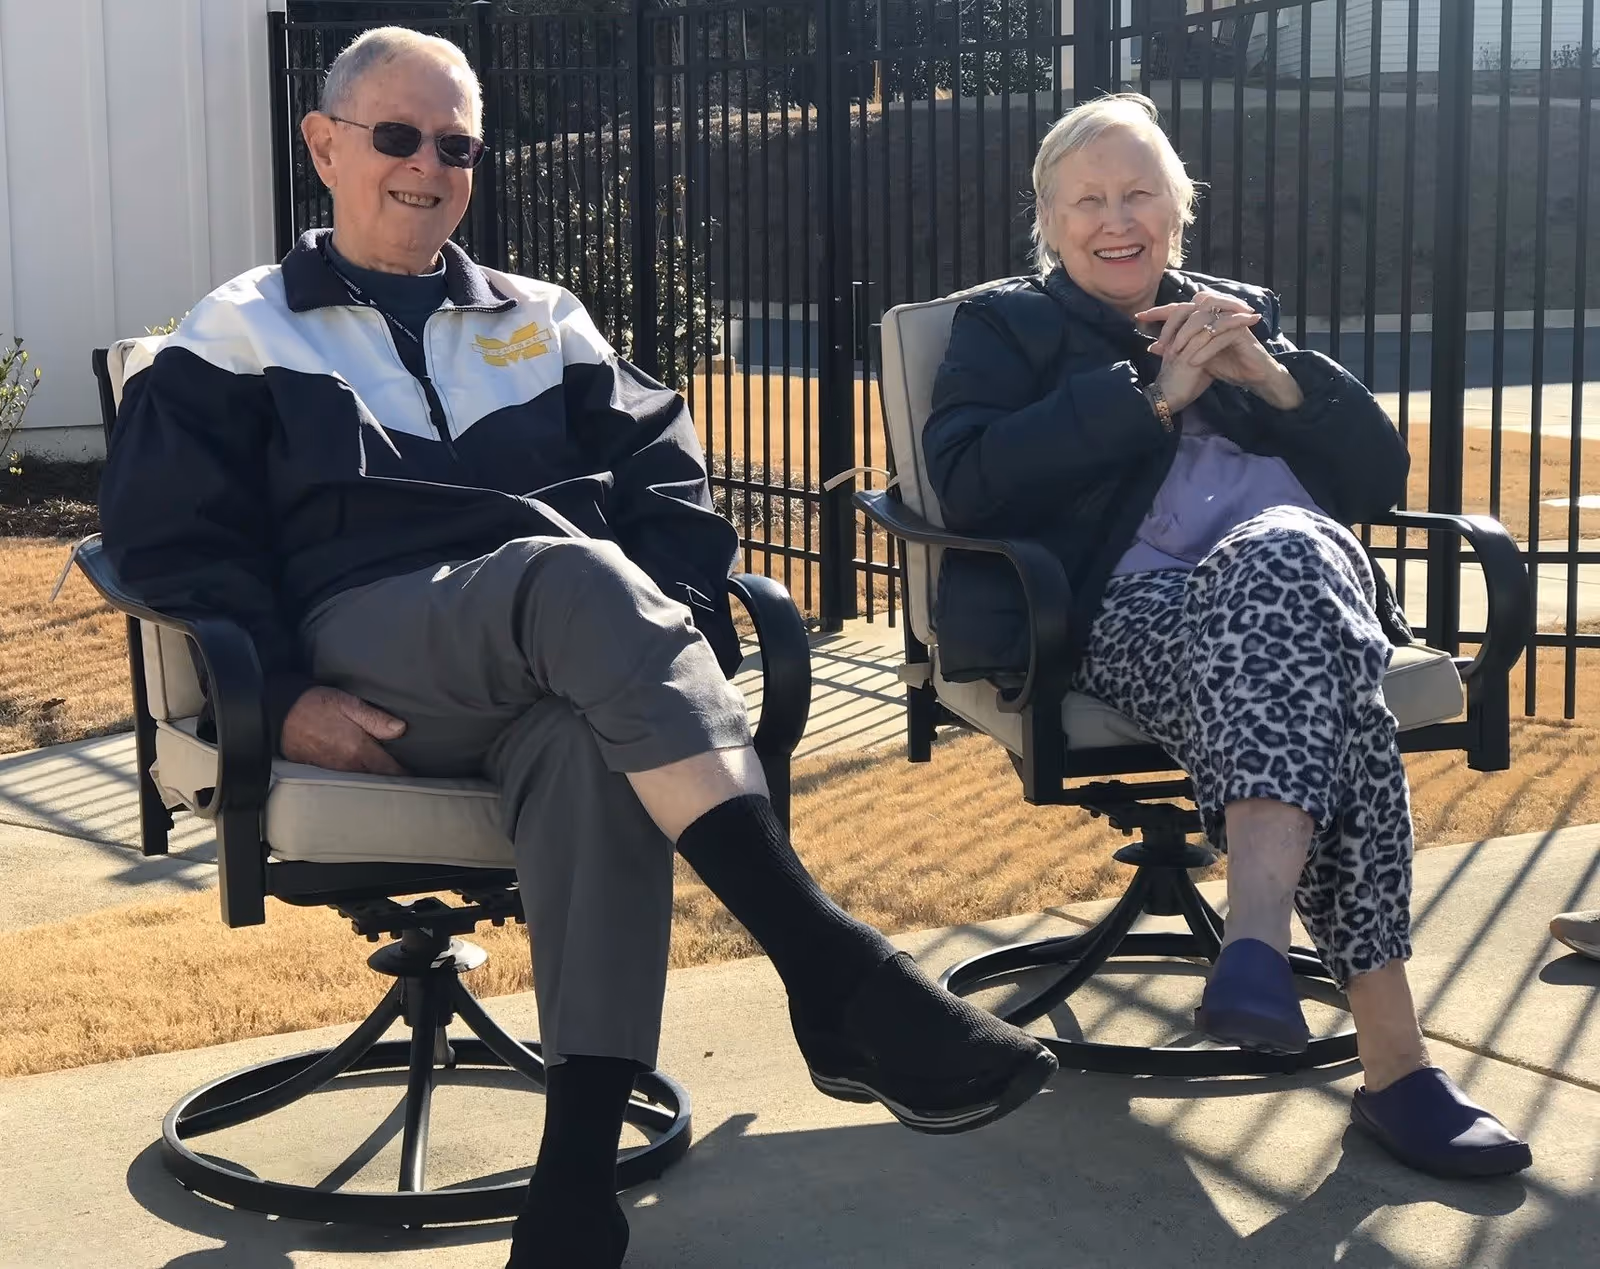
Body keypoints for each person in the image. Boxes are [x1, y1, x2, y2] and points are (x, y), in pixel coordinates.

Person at [97, 28, 1056, 1268]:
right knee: (568, 575)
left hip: (555, 650)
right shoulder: (240, 330)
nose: (426, 166)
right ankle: (833, 969)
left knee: (585, 739)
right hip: (366, 644)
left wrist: (653, 643)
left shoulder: (544, 321)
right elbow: (164, 543)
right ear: (324, 146)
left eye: (456, 146)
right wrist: (278, 701)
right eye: (395, 136)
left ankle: (570, 1188)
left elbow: (674, 502)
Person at [922, 93, 1530, 1180]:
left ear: (1179, 210)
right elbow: (967, 487)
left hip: (1298, 595)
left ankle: (1258, 929)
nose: (1117, 219)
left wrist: (1272, 380)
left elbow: (1377, 482)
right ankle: (1394, 1070)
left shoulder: (1241, 316)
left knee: (1291, 549)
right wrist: (1152, 397)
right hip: (1129, 611)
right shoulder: (1004, 329)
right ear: (1049, 223)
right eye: (1089, 200)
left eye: (1140, 193)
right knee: (1323, 662)